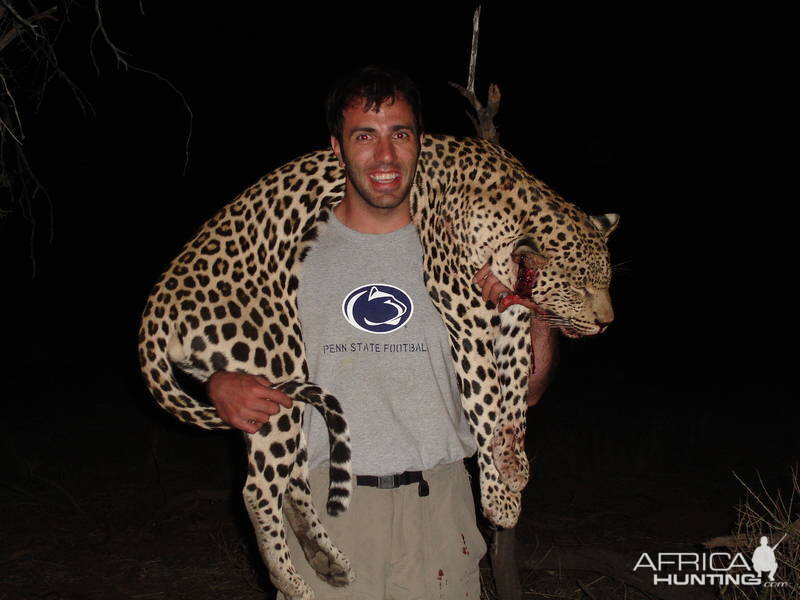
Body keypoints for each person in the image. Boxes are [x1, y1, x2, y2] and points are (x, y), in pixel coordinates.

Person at [207, 66, 556, 599]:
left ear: (422, 143)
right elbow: (215, 343)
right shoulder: (287, 250)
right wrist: (216, 385)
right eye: (364, 136)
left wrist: (530, 303)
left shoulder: (467, 248)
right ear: (336, 149)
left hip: (438, 509)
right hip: (327, 504)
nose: (386, 155)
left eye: (401, 133)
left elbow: (526, 392)